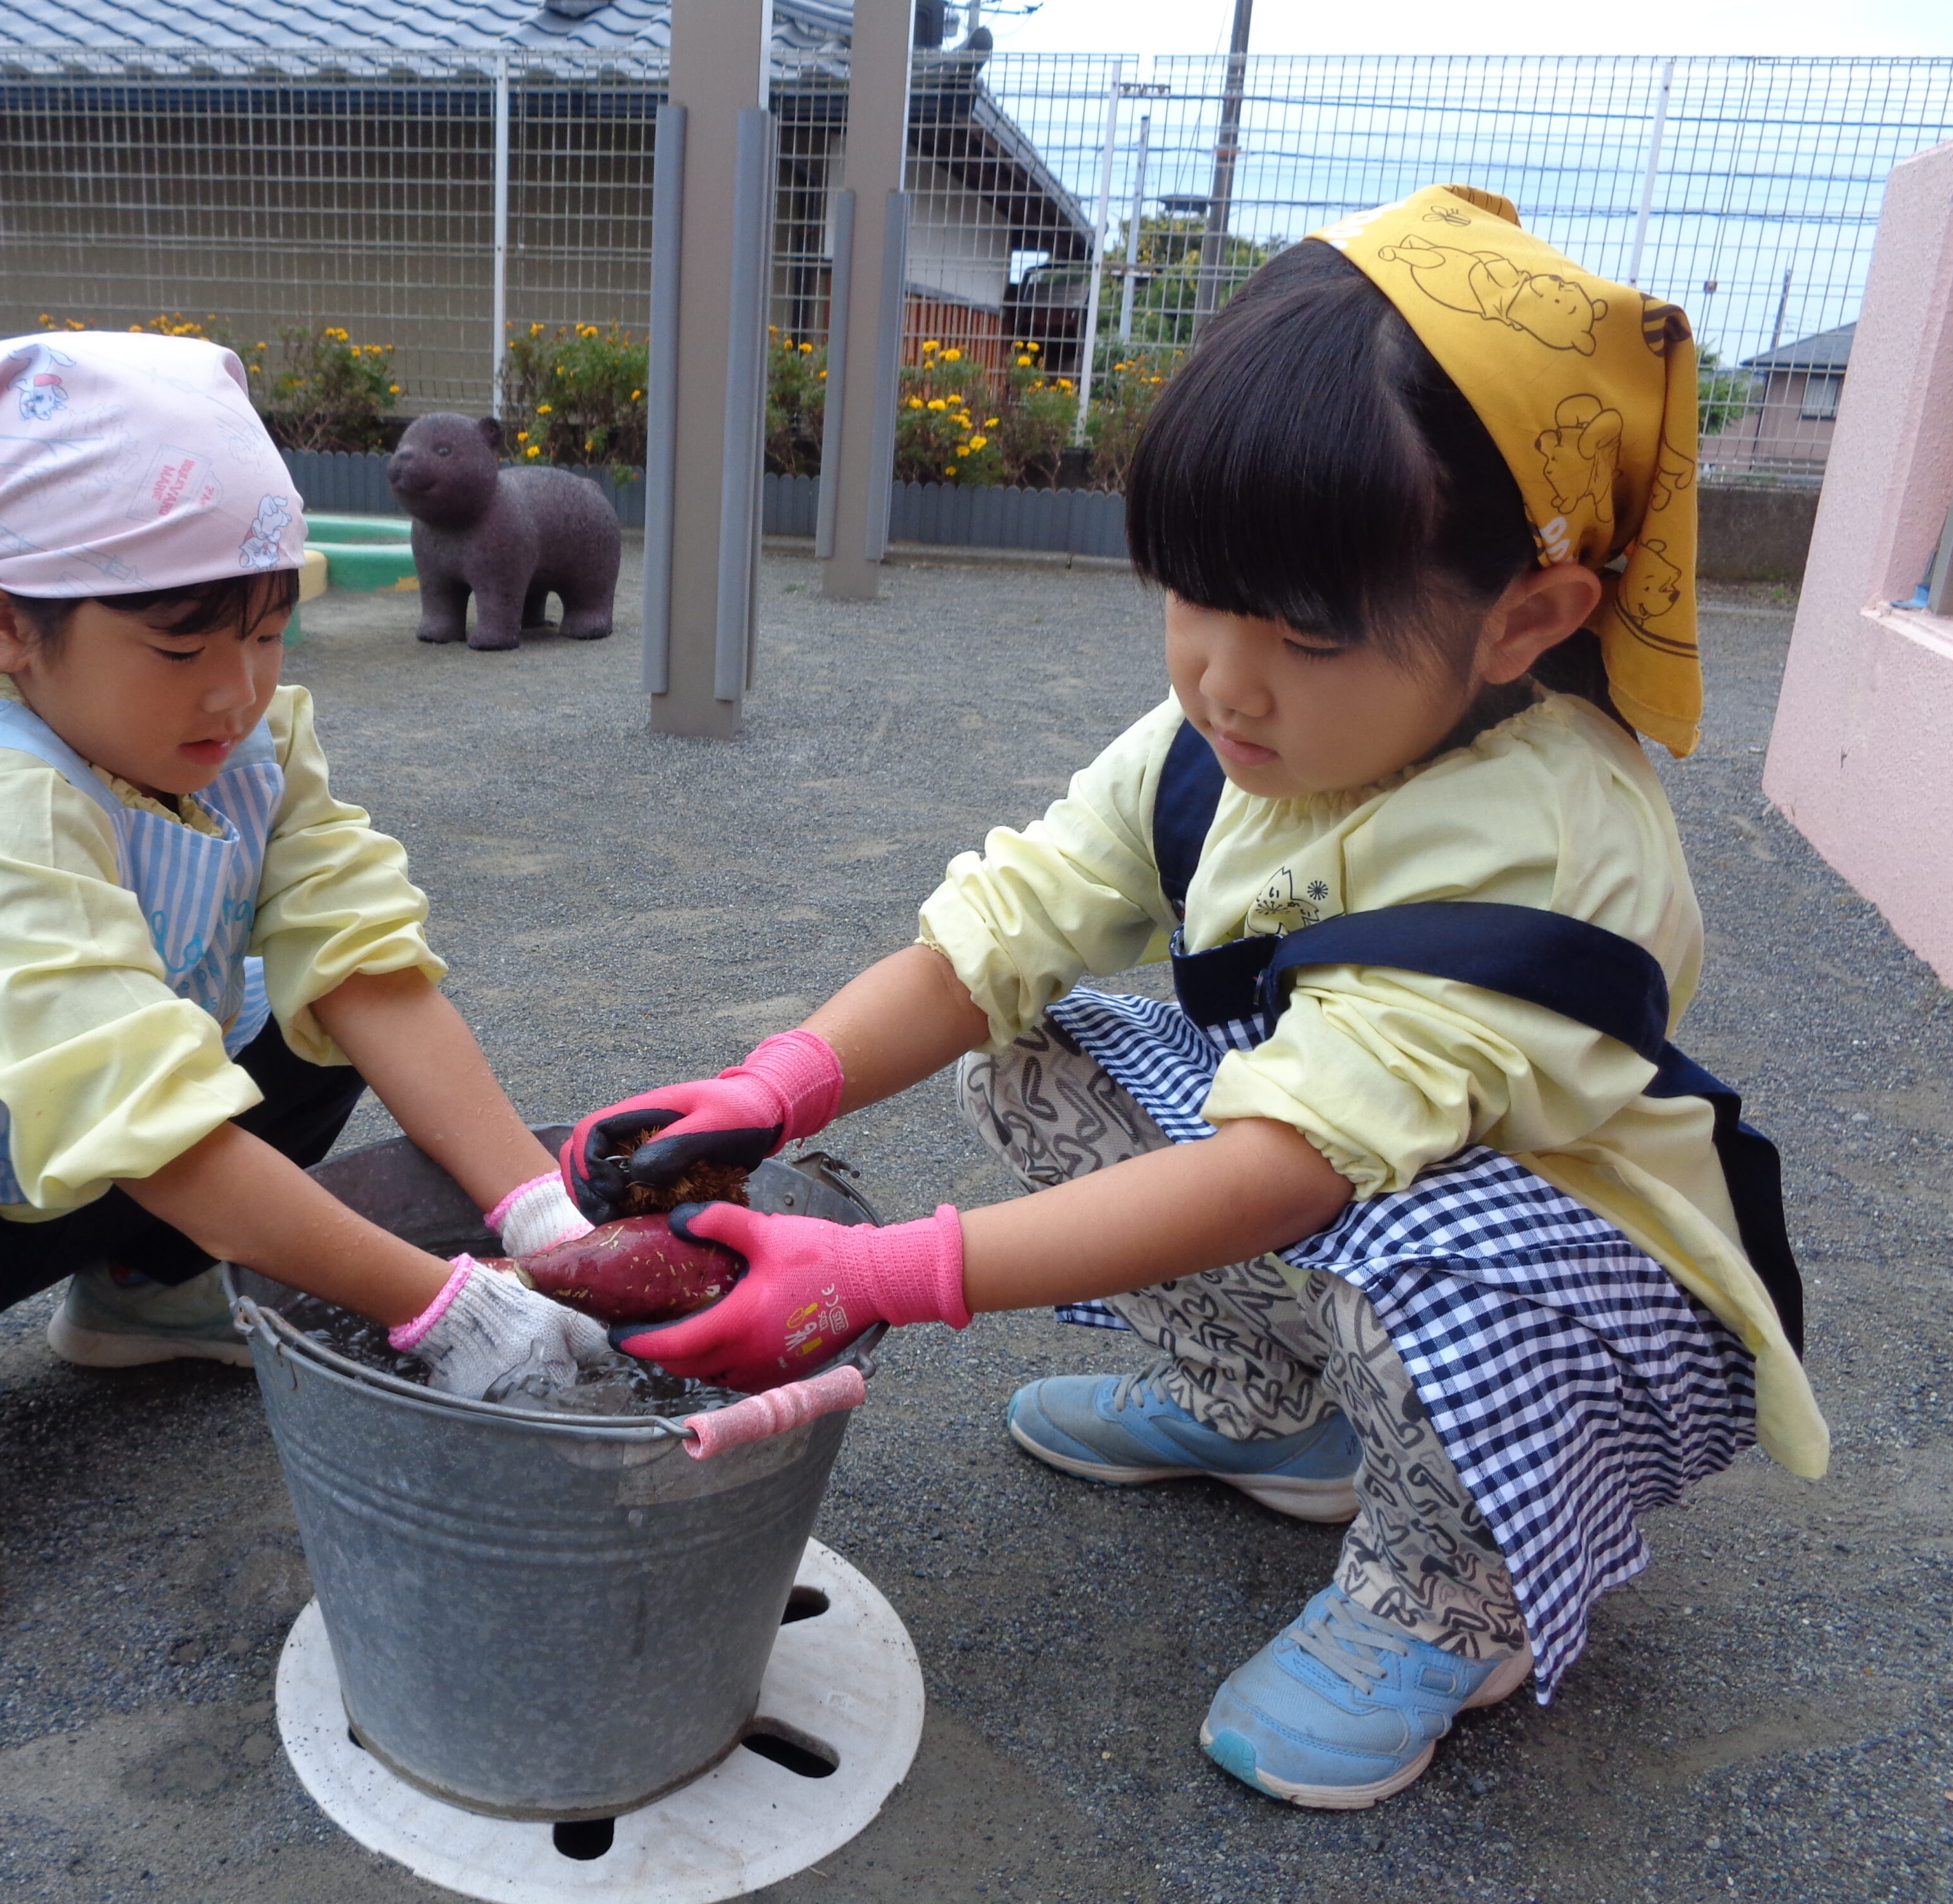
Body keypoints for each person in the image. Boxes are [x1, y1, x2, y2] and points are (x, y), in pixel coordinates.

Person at [563, 187, 1824, 1810]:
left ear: (1524, 617)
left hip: (1568, 1275)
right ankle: (1273, 1415)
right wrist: (774, 1086)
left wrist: (880, 1273)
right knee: (1029, 1056)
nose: (1222, 675)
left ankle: (1451, 1598)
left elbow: (1283, 1171)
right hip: (1347, 1179)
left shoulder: (1547, 843)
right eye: (1192, 594)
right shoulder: (1226, 738)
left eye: (1302, 630)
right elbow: (1001, 929)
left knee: (1431, 1271)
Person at [0, 332, 602, 1663]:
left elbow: (366, 962)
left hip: (107, 1167)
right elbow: (150, 1126)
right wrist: (448, 1307)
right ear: (4, 626)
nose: (236, 688)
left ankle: (142, 1295)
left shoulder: (248, 744)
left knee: (315, 1008)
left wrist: (543, 1214)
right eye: (179, 646)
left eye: (266, 630)